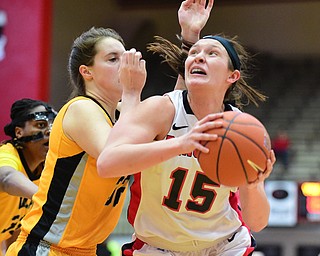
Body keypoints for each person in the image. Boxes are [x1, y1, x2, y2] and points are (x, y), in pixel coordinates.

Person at [6, 1, 212, 255]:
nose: (124, 64)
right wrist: (132, 91)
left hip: (85, 249)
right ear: (87, 72)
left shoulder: (123, 111)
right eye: (113, 59)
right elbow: (117, 157)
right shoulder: (81, 109)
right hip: (47, 246)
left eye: (124, 56)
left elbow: (174, 109)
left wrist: (190, 37)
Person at [97, 30, 276, 256]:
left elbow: (257, 222)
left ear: (232, 76)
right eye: (194, 52)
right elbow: (107, 164)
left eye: (212, 54)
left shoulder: (241, 130)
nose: (198, 57)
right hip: (157, 247)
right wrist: (183, 144)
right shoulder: (162, 110)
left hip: (224, 246)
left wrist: (252, 184)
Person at [0, 98, 56, 256]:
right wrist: (46, 197)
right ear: (19, 132)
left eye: (53, 125)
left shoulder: (45, 170)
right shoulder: (7, 154)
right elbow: (6, 178)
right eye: (41, 125)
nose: (50, 131)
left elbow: (15, 233)